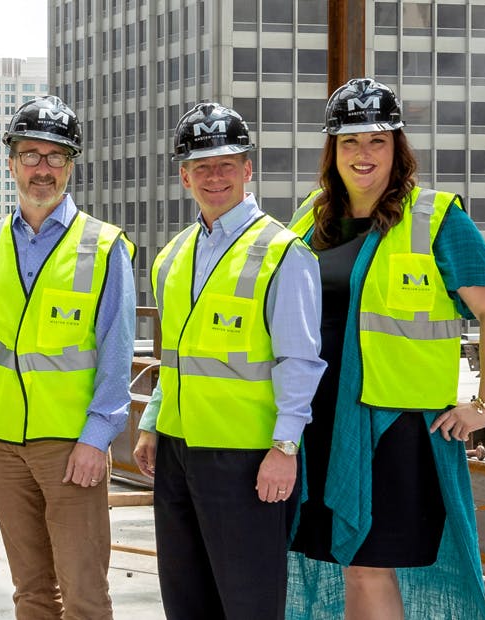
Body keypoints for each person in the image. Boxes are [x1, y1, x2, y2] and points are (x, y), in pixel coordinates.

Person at [284, 78, 485, 620]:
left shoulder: (435, 217)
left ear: (397, 148)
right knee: (346, 560)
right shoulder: (310, 218)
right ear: (333, 150)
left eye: (377, 141)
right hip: (320, 418)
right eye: (350, 142)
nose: (363, 155)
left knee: (368, 562)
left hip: (391, 424)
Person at [131, 102, 327, 618]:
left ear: (247, 168)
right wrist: (153, 424)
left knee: (249, 602)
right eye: (202, 166)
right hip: (178, 450)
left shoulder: (283, 253)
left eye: (226, 164)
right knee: (185, 597)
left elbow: (299, 361)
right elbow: (172, 356)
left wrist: (285, 447)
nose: (214, 176)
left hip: (248, 457)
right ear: (184, 176)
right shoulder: (172, 256)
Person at [0, 95, 134, 619]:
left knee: (84, 595)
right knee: (31, 592)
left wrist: (96, 439)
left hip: (71, 446)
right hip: (3, 446)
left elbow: (117, 355)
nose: (42, 169)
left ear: (71, 165)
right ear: (11, 163)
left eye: (56, 157)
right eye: (30, 155)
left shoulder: (103, 247)